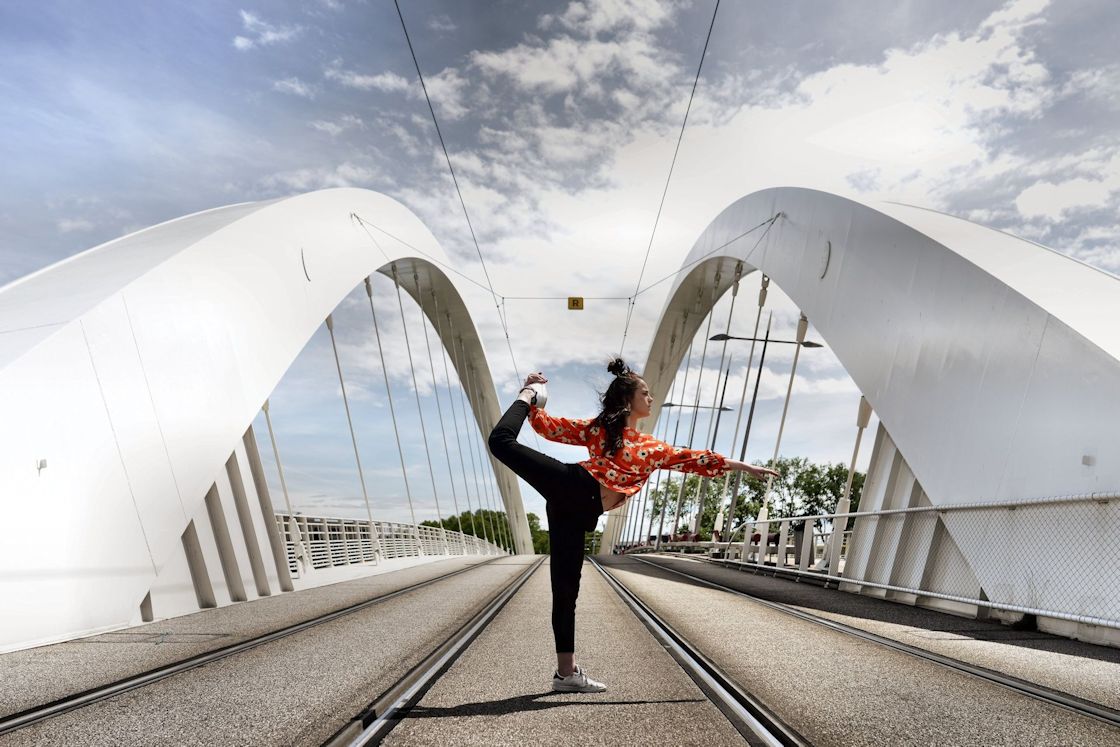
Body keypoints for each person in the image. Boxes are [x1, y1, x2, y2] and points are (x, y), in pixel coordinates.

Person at [487, 357, 779, 693]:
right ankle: (524, 394)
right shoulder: (598, 430)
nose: (651, 398)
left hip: (579, 512)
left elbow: (694, 459)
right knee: (501, 442)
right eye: (646, 392)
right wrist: (534, 397)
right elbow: (549, 427)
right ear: (629, 400)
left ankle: (566, 675)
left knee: (566, 590)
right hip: (573, 485)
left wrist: (745, 467)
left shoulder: (652, 448)